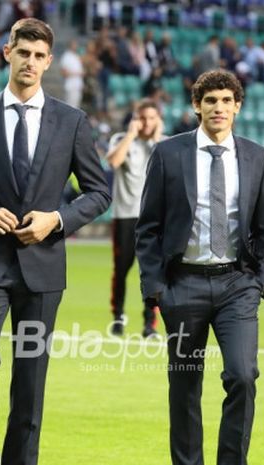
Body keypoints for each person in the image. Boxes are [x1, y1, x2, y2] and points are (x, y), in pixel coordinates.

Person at [0, 19, 111, 465]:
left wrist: (57, 219)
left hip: (43, 270)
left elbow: (99, 192)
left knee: (30, 382)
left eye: (38, 55)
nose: (29, 62)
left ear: (49, 62)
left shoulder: (71, 122)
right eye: (22, 52)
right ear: (6, 52)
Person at [136, 69, 264, 465]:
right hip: (182, 286)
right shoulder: (168, 154)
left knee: (242, 376)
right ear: (196, 106)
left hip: (237, 285)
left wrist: (261, 280)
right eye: (210, 100)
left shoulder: (256, 156)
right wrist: (156, 288)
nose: (219, 108)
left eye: (227, 101)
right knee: (184, 386)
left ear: (238, 107)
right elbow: (148, 228)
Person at [106, 98, 165, 337]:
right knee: (121, 270)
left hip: (154, 219)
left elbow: (168, 171)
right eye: (143, 118)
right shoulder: (121, 140)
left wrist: (157, 139)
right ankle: (118, 318)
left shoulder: (164, 144)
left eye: (152, 118)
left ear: (158, 120)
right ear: (135, 119)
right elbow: (113, 161)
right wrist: (131, 135)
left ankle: (149, 324)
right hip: (126, 216)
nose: (147, 123)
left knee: (153, 272)